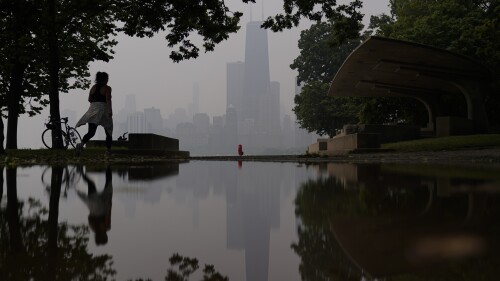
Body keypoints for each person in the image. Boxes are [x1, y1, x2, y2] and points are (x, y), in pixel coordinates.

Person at [75, 71, 113, 156]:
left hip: (92, 111)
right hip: (103, 111)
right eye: (107, 79)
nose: (108, 80)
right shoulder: (107, 88)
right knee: (108, 131)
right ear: (105, 79)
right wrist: (110, 111)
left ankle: (81, 144)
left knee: (91, 132)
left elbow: (89, 99)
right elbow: (108, 100)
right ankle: (108, 151)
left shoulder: (93, 87)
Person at [77, 166, 113, 246]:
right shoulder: (93, 228)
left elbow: (108, 214)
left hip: (100, 207)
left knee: (108, 183)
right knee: (91, 184)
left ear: (105, 236)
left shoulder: (106, 227)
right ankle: (80, 171)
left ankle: (108, 165)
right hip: (93, 206)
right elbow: (89, 217)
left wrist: (109, 204)